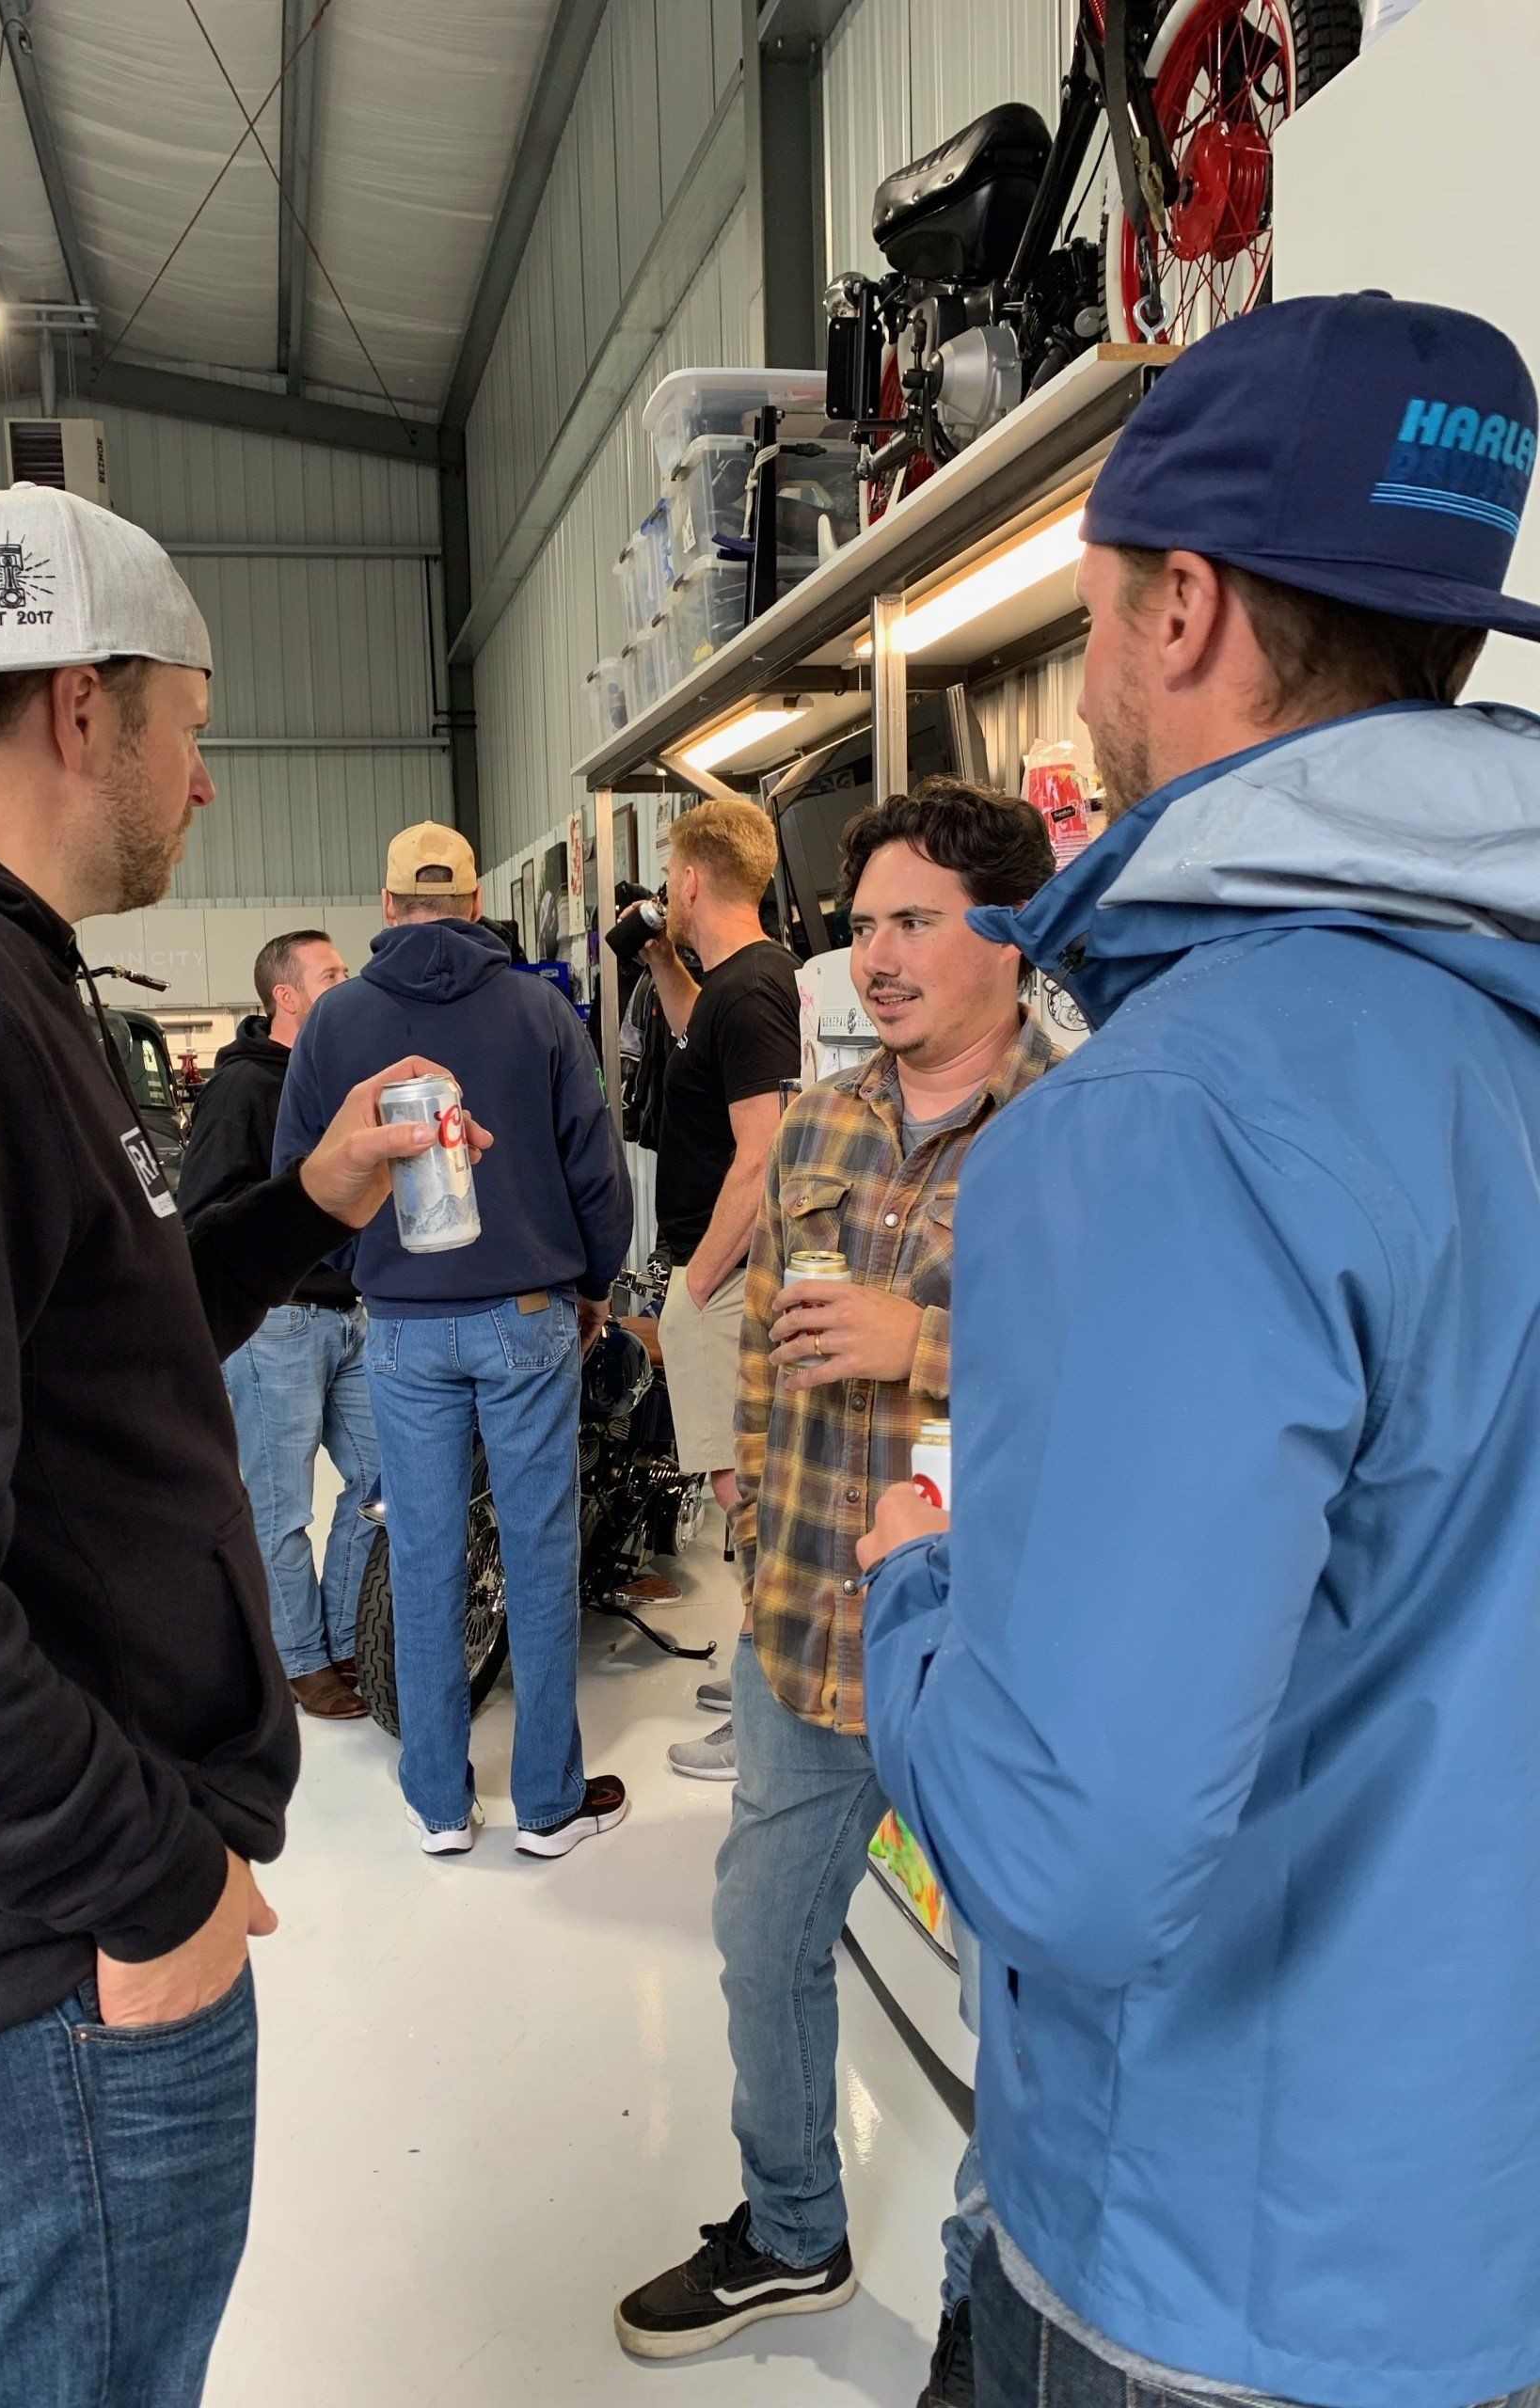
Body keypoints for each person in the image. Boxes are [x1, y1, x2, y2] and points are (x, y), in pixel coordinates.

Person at [0, 486, 487, 2405]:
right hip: (42, 1973)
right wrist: (147, 1874)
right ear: (89, 710)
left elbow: (91, 1340)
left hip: (37, 1947)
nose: (207, 782)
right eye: (196, 726)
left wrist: (305, 1200)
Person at [861, 293, 1540, 2408]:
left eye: (1083, 619)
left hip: (1221, 2276)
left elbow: (1073, 1850)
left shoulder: (1175, 1108)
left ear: (1184, 606)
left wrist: (914, 1594)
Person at [617, 783, 1058, 2363]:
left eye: (913, 921)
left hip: (1003, 1661)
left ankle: (988, 2313)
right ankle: (793, 2231)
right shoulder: (814, 1116)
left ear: (1008, 931)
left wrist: (926, 1343)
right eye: (861, 924)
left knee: (1032, 2017)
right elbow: (766, 1360)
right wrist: (744, 1522)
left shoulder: (1087, 1131)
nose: (875, 956)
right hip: (808, 1632)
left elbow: (1137, 1387)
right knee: (759, 1942)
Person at [275, 822, 635, 1859]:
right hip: (527, 1315)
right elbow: (594, 1169)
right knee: (537, 1550)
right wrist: (592, 1282)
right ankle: (548, 1803)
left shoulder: (337, 1020)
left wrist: (372, 1276)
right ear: (478, 904)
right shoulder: (540, 1008)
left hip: (401, 1325)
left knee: (424, 1550)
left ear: (387, 910)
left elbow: (300, 1174)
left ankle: (437, 1801)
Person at [632, 800, 802, 1781]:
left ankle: (766, 1719)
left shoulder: (751, 993)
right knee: (745, 1491)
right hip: (722, 1276)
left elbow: (765, 1150)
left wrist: (693, 1289)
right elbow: (703, 1035)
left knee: (748, 1499)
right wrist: (660, 962)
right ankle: (752, 1670)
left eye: (670, 873)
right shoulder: (741, 983)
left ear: (693, 878)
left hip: (724, 1282)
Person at [180, 930, 383, 1722]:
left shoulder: (335, 1082)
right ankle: (300, 1660)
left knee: (380, 1484)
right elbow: (207, 1216)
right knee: (280, 1505)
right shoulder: (241, 1093)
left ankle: (342, 1636)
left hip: (348, 1317)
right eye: (331, 973)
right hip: (280, 1325)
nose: (347, 981)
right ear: (286, 997)